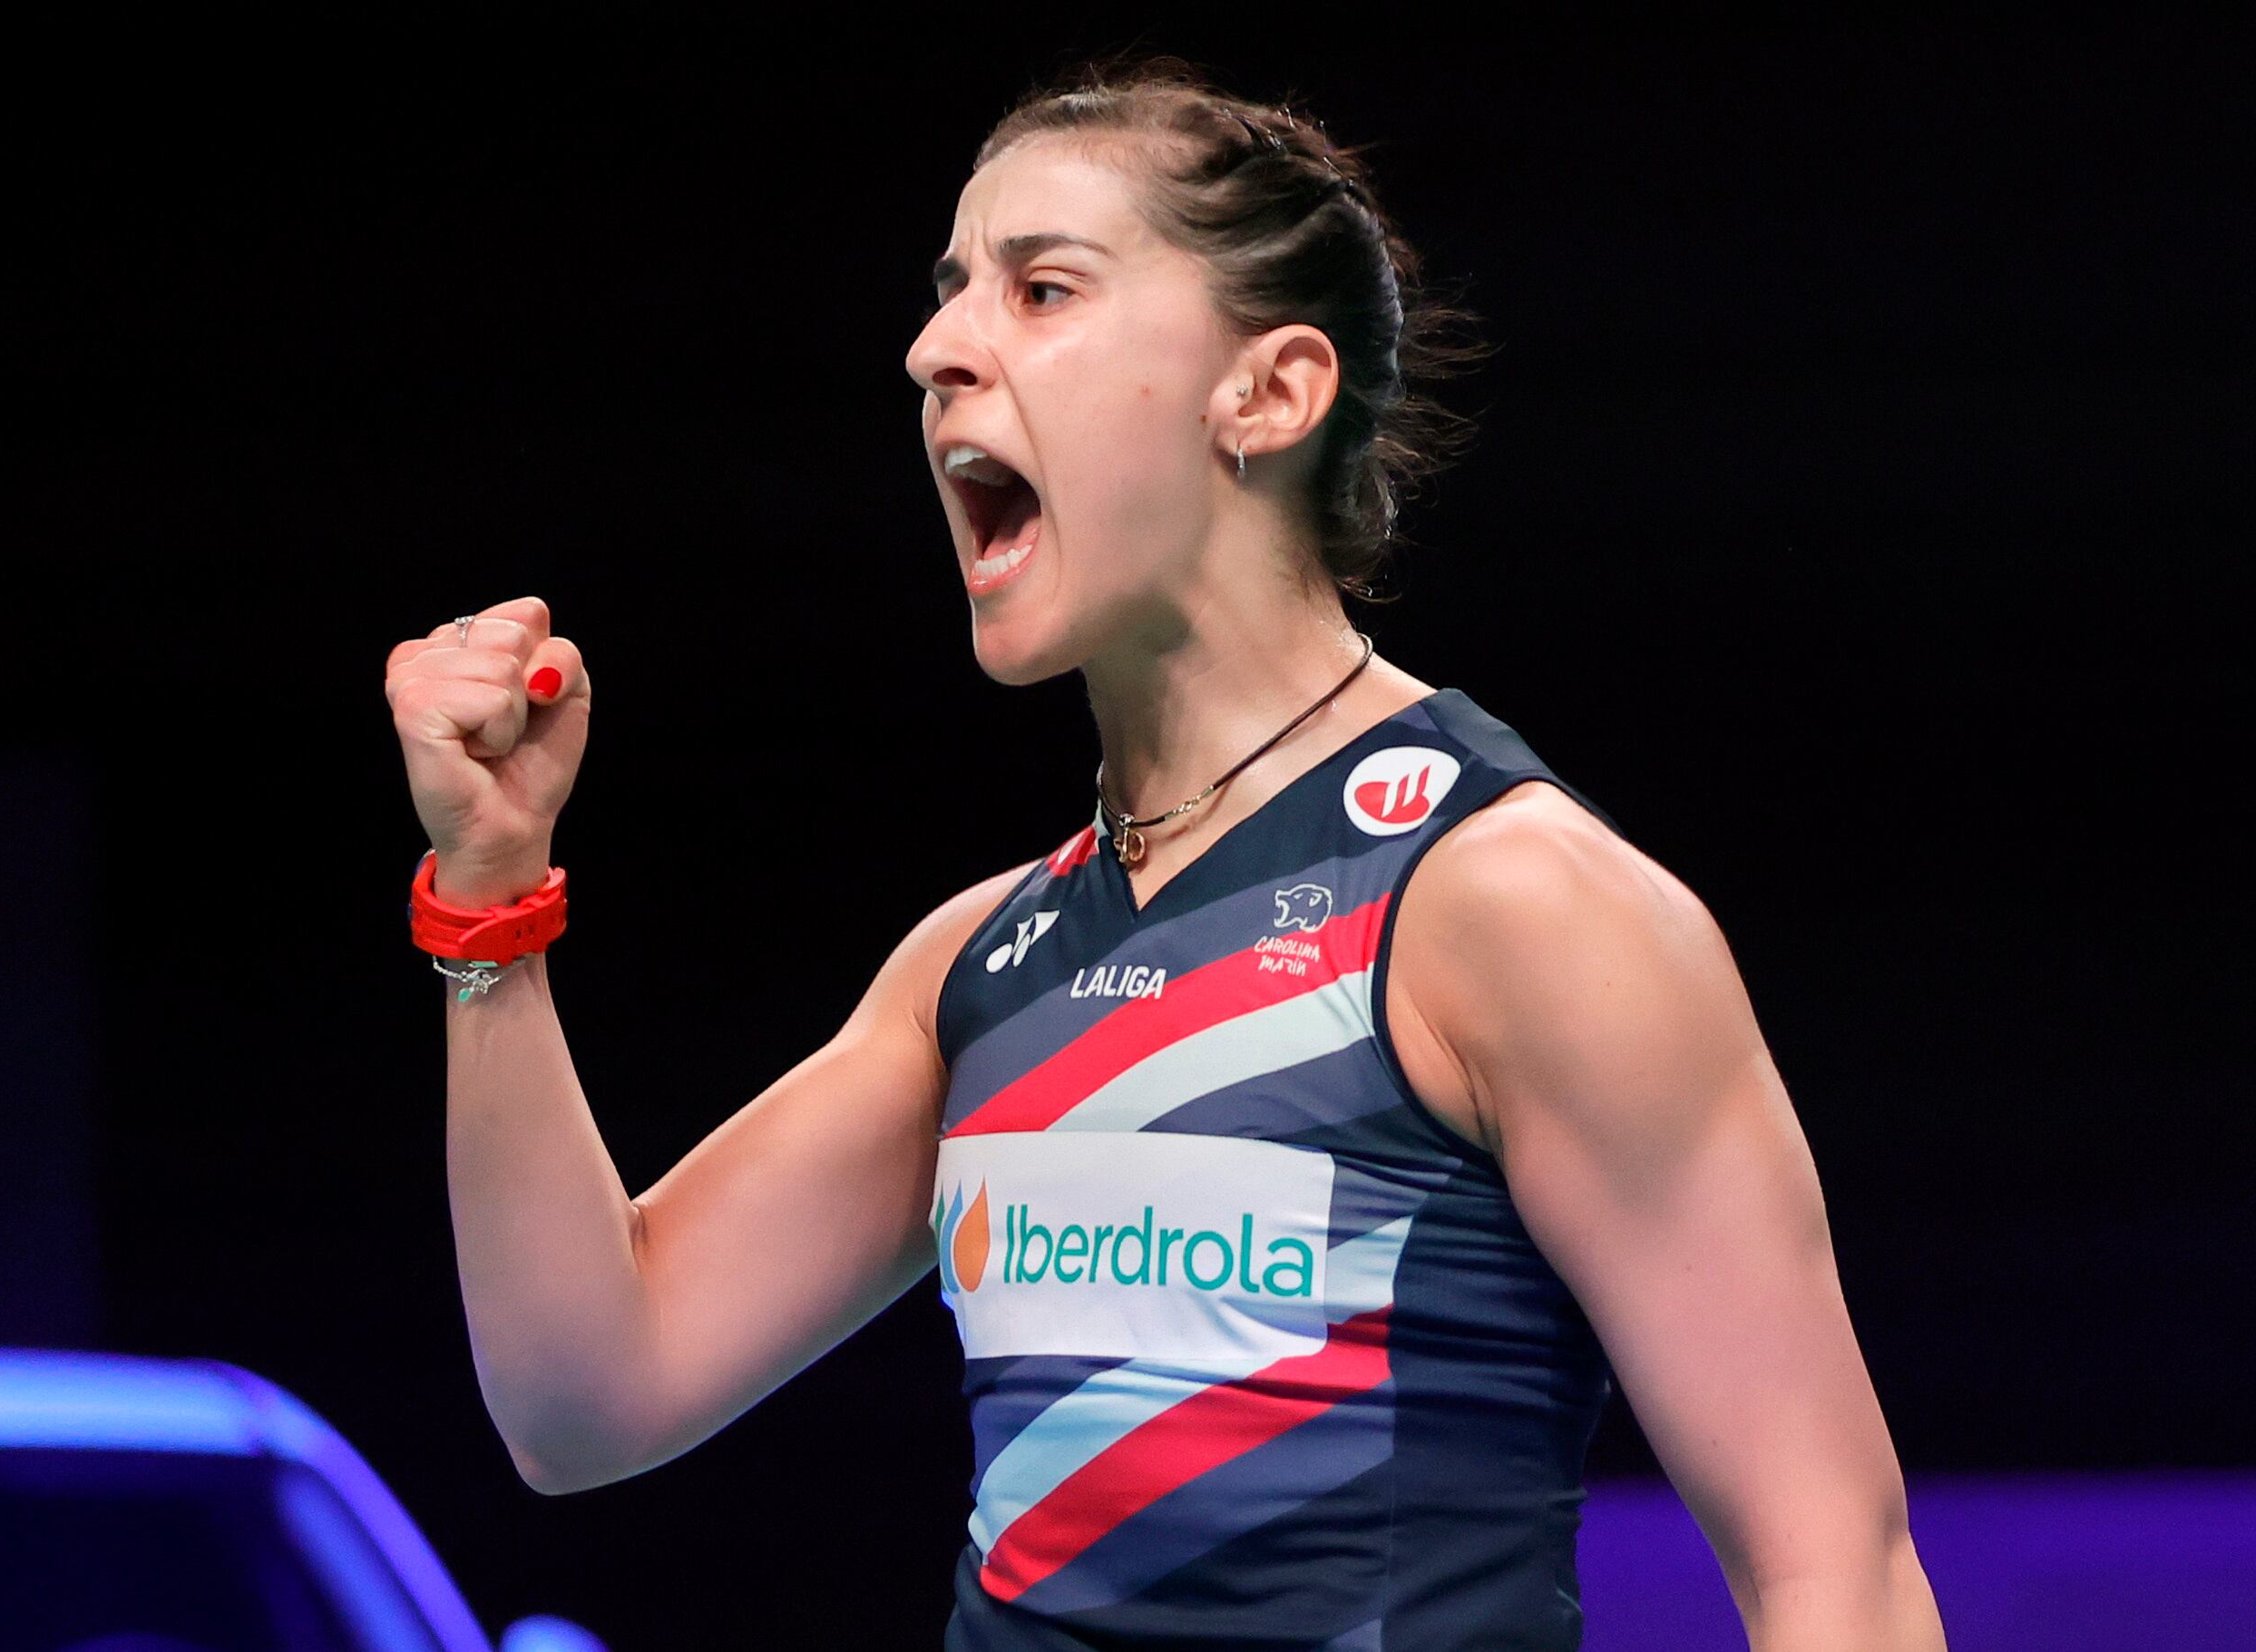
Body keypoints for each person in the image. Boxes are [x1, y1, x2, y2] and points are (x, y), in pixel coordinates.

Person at [383, 54, 1946, 1652]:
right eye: (946, 296)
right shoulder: (979, 973)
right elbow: (585, 1399)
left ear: (1268, 392)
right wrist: (492, 905)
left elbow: (1836, 1566)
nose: (936, 349)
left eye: (1041, 287)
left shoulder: (1510, 905)